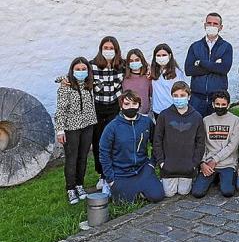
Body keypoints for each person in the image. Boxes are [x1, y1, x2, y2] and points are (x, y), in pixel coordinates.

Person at [99, 90, 164, 203]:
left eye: (134, 104)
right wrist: (110, 179)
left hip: (143, 169)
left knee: (157, 196)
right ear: (121, 106)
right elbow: (104, 153)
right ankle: (120, 189)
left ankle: (142, 188)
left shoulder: (146, 122)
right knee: (122, 202)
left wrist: (152, 164)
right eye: (127, 104)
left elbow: (157, 143)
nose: (131, 107)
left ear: (139, 105)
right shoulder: (112, 127)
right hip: (121, 172)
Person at [55, 57, 98, 205]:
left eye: (83, 69)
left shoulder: (90, 84)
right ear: (72, 71)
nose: (81, 72)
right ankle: (70, 188)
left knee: (83, 157)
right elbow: (60, 109)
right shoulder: (66, 86)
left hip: (88, 125)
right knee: (71, 159)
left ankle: (80, 185)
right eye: (77, 70)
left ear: (88, 70)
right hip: (71, 128)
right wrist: (60, 130)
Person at [153, 81, 205, 197]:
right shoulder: (164, 115)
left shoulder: (196, 117)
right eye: (175, 96)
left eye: (182, 95)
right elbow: (157, 140)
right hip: (168, 166)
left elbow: (200, 143)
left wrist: (194, 163)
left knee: (183, 192)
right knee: (169, 194)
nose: (179, 99)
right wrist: (161, 162)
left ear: (189, 97)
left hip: (187, 166)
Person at [191, 91, 239, 198]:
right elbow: (201, 143)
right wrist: (202, 163)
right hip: (208, 163)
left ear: (228, 105)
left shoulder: (235, 120)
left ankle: (223, 178)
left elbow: (233, 146)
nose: (220, 107)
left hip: (227, 163)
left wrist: (215, 160)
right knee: (197, 193)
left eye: (223, 105)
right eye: (217, 104)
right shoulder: (206, 120)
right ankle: (216, 178)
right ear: (213, 104)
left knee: (227, 192)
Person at [91, 36, 125, 190]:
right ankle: (102, 174)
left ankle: (113, 171)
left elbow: (141, 70)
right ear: (101, 49)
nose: (109, 51)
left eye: (112, 48)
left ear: (116, 50)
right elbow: (75, 75)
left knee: (113, 141)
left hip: (114, 107)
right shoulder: (92, 66)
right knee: (98, 142)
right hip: (98, 107)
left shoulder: (121, 66)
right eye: (106, 48)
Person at [185, 12, 233, 117]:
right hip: (197, 98)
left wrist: (201, 63)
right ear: (204, 25)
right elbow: (189, 70)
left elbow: (224, 69)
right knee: (197, 129)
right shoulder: (195, 46)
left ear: (221, 27)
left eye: (215, 24)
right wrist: (214, 66)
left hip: (217, 99)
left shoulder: (226, 46)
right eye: (209, 23)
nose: (212, 26)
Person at [151, 43, 187, 119]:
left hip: (172, 110)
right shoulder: (153, 72)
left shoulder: (176, 74)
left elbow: (182, 91)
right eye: (158, 55)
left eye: (164, 55)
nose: (161, 57)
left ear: (170, 56)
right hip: (158, 111)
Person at [123, 49, 152, 116]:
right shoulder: (124, 76)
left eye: (137, 60)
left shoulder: (148, 77)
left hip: (144, 113)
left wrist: (148, 66)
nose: (134, 62)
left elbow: (151, 94)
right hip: (127, 113)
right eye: (131, 61)